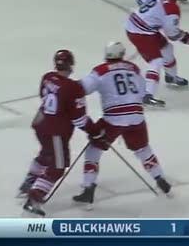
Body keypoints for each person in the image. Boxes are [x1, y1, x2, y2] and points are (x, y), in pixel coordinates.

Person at [72, 42, 172, 208]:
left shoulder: (100, 70)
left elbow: (81, 89)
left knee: (94, 149)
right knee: (143, 149)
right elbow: (142, 92)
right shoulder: (133, 68)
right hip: (137, 116)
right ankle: (160, 178)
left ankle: (88, 189)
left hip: (114, 118)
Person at [18, 50, 103, 217]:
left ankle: (28, 183)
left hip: (40, 124)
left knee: (46, 154)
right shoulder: (73, 88)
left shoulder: (47, 77)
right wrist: (95, 131)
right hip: (55, 132)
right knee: (57, 166)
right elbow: (79, 120)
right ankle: (33, 199)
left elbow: (47, 96)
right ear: (71, 65)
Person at [126, 0, 189, 108]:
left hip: (140, 25)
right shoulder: (172, 9)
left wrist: (150, 15)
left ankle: (171, 77)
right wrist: (188, 38)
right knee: (156, 61)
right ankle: (147, 95)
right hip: (140, 32)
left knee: (167, 48)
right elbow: (173, 34)